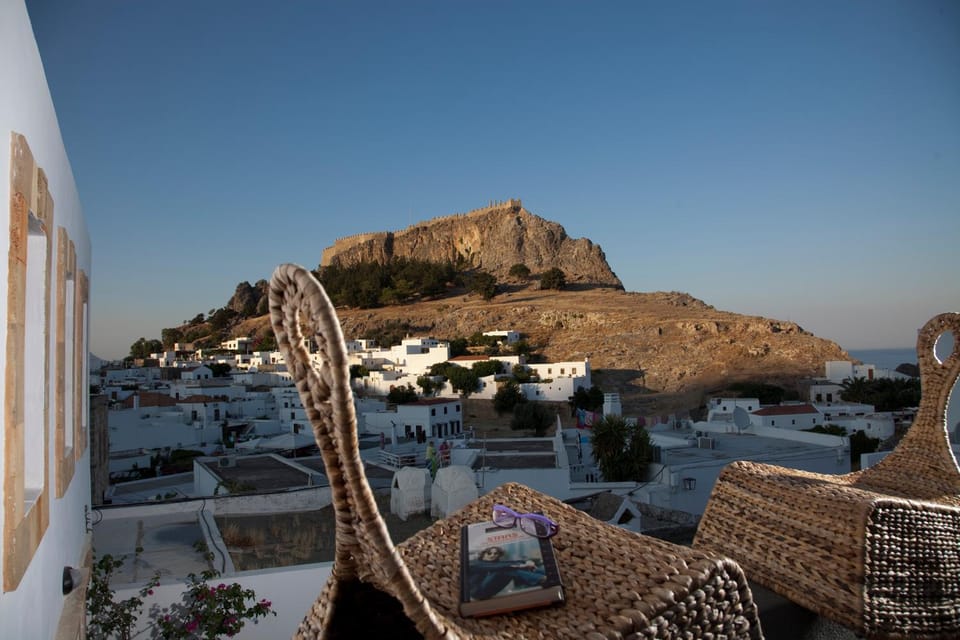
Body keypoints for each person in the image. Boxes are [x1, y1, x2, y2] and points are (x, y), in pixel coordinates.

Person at [467, 546, 546, 600]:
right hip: (478, 592)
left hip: (489, 589)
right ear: (483, 554)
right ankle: (541, 579)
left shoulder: (494, 562)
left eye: (495, 553)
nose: (492, 555)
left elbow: (509, 563)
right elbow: (498, 567)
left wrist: (527, 562)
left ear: (499, 555)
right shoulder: (475, 564)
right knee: (504, 569)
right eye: (489, 553)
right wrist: (522, 565)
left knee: (511, 568)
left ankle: (544, 575)